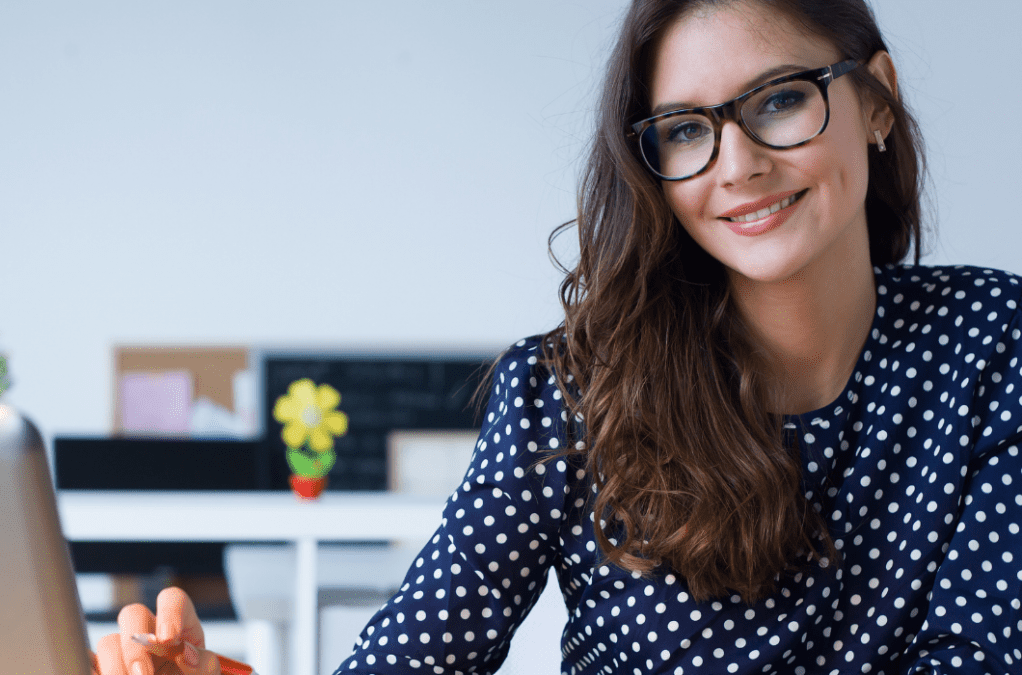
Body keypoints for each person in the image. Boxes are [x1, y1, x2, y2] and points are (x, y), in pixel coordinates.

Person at [92, 0, 1022, 673]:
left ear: (879, 99)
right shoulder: (572, 389)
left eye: (780, 99)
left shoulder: (992, 342)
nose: (737, 165)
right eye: (687, 129)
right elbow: (417, 656)